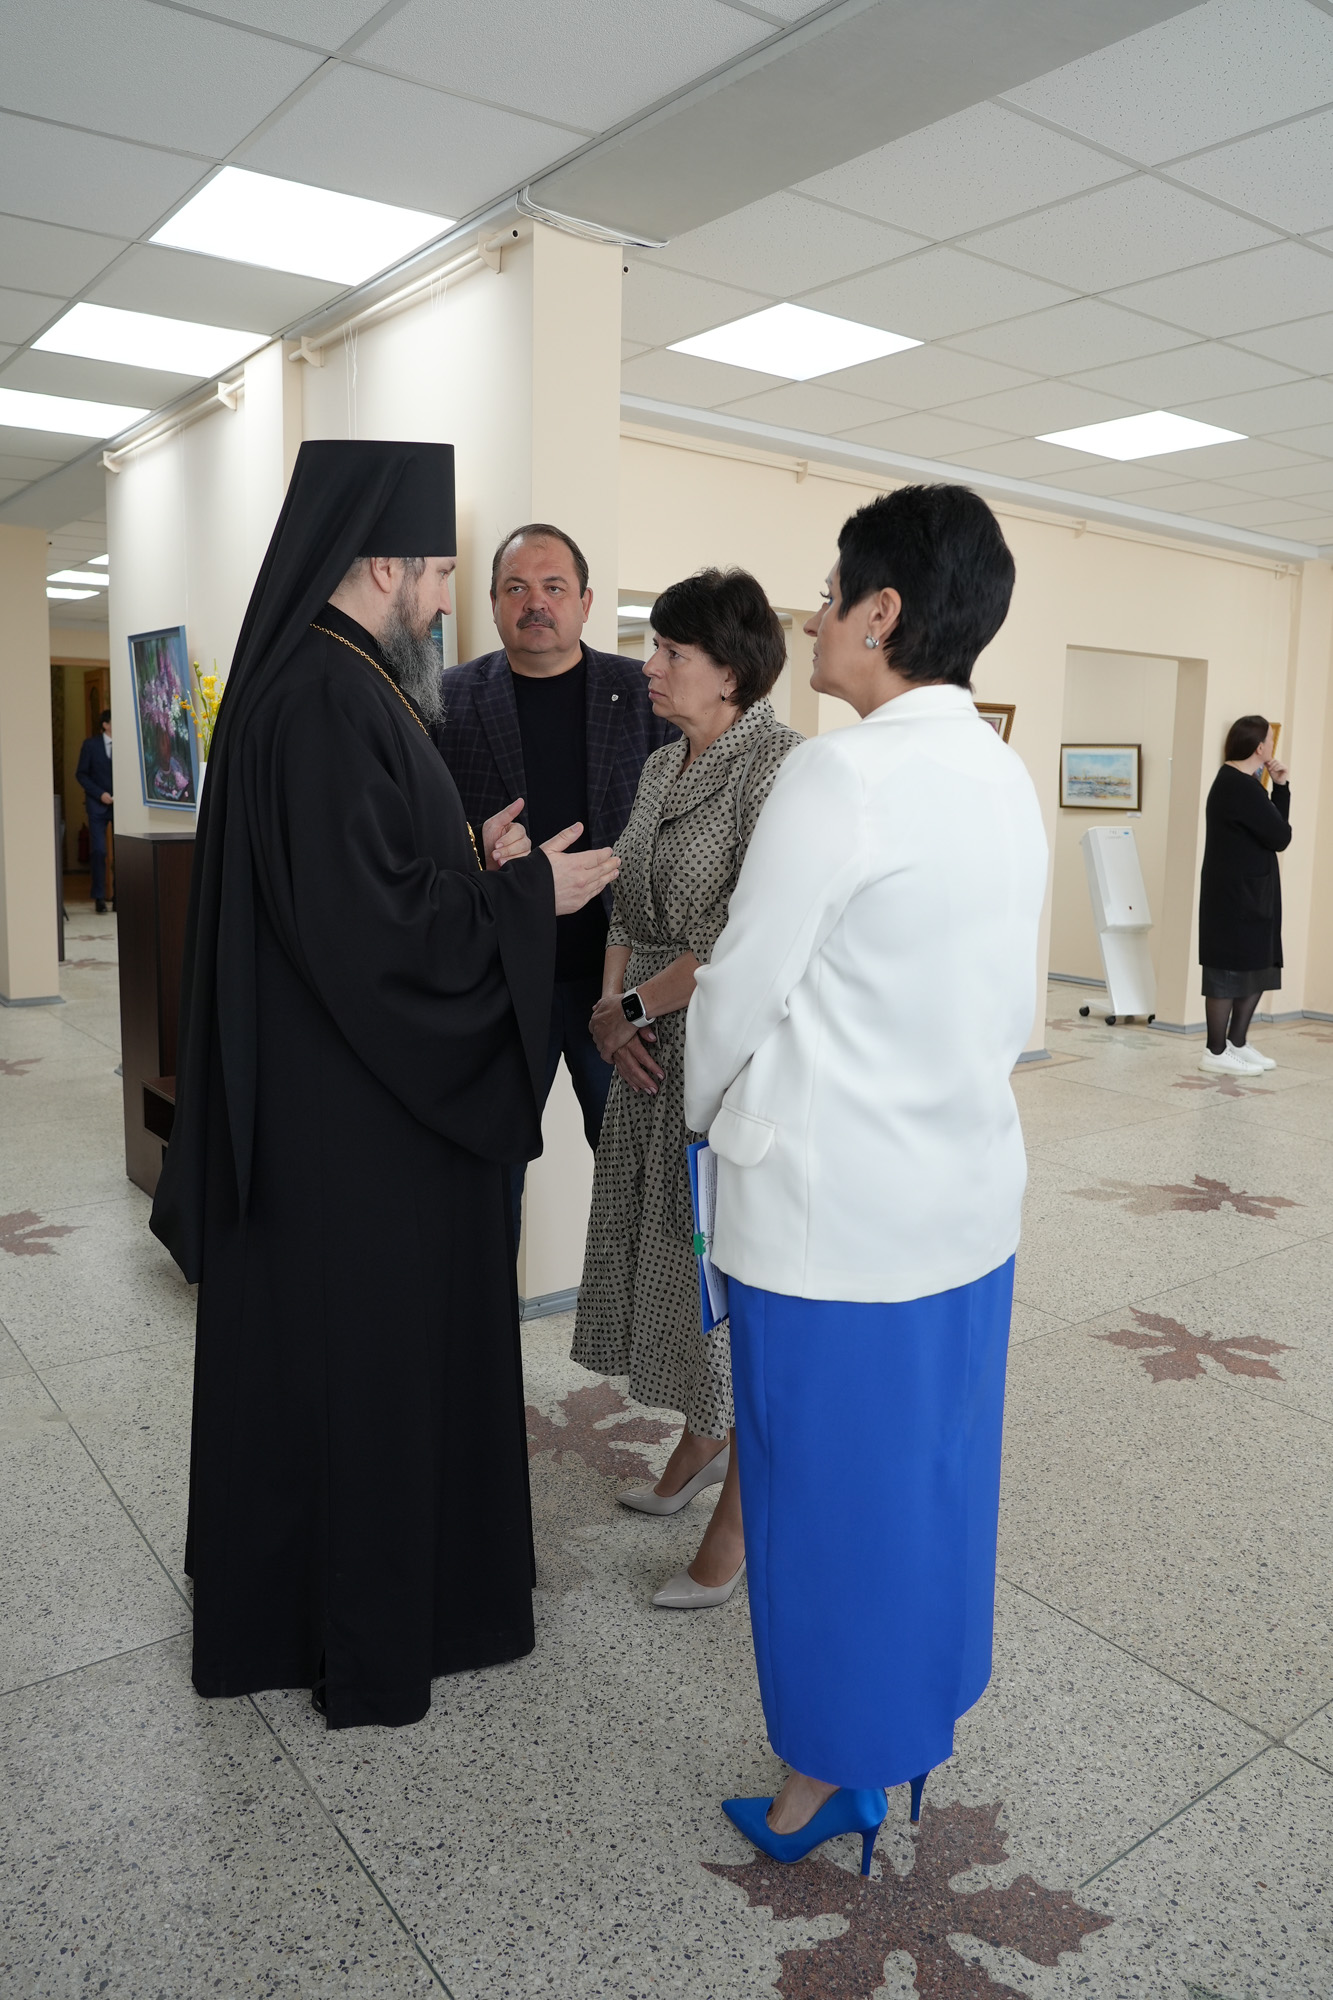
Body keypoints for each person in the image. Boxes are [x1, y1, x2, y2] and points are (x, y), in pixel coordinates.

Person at [150, 440, 618, 1729]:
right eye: (442, 573)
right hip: (356, 1133)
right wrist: (527, 896)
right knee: (363, 1378)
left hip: (341, 1103)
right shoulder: (324, 695)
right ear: (385, 563)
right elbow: (373, 936)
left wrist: (472, 855)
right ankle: (363, 1631)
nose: (451, 597)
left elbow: (364, 881)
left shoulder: (337, 679)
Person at [684, 486, 1047, 1870]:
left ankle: (817, 1781)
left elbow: (737, 990)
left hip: (829, 1228)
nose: (817, 616)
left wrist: (702, 1117)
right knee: (928, 1489)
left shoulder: (841, 776)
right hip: (962, 1210)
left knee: (820, 1509)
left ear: (883, 613)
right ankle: (905, 1734)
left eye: (832, 594)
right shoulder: (997, 773)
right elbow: (1006, 1009)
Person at [572, 568, 801, 1608]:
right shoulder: (662, 763)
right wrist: (608, 1005)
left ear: (732, 671)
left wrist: (631, 1010)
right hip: (646, 1045)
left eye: (671, 651)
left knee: (721, 1267)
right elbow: (626, 901)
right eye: (652, 645)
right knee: (664, 1247)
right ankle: (699, 1436)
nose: (650, 666)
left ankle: (737, 1512)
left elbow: (741, 937)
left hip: (720, 1050)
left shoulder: (778, 769)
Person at [432, 525, 675, 1251]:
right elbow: (419, 835)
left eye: (553, 587)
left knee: (636, 1175)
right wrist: (476, 853)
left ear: (586, 602)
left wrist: (640, 991)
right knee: (484, 1180)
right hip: (501, 987)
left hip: (616, 990)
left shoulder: (644, 695)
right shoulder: (446, 700)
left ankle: (640, 1326)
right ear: (493, 602)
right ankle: (484, 1327)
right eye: (516, 588)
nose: (534, 602)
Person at [1197, 715, 1290, 1075]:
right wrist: (1280, 789)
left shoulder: (1242, 782)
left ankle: (1236, 1042)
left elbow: (1273, 832)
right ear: (1259, 747)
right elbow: (1280, 836)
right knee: (1227, 970)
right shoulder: (1239, 786)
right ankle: (1215, 1051)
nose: (1272, 746)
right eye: (1270, 740)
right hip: (1236, 897)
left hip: (1248, 893)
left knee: (1257, 964)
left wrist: (1278, 787)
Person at [75, 707, 114, 911]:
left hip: (121, 806)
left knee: (123, 850)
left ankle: (119, 895)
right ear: (105, 725)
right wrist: (100, 794)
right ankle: (99, 897)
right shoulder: (90, 745)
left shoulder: (125, 745)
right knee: (99, 850)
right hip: (97, 805)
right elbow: (81, 774)